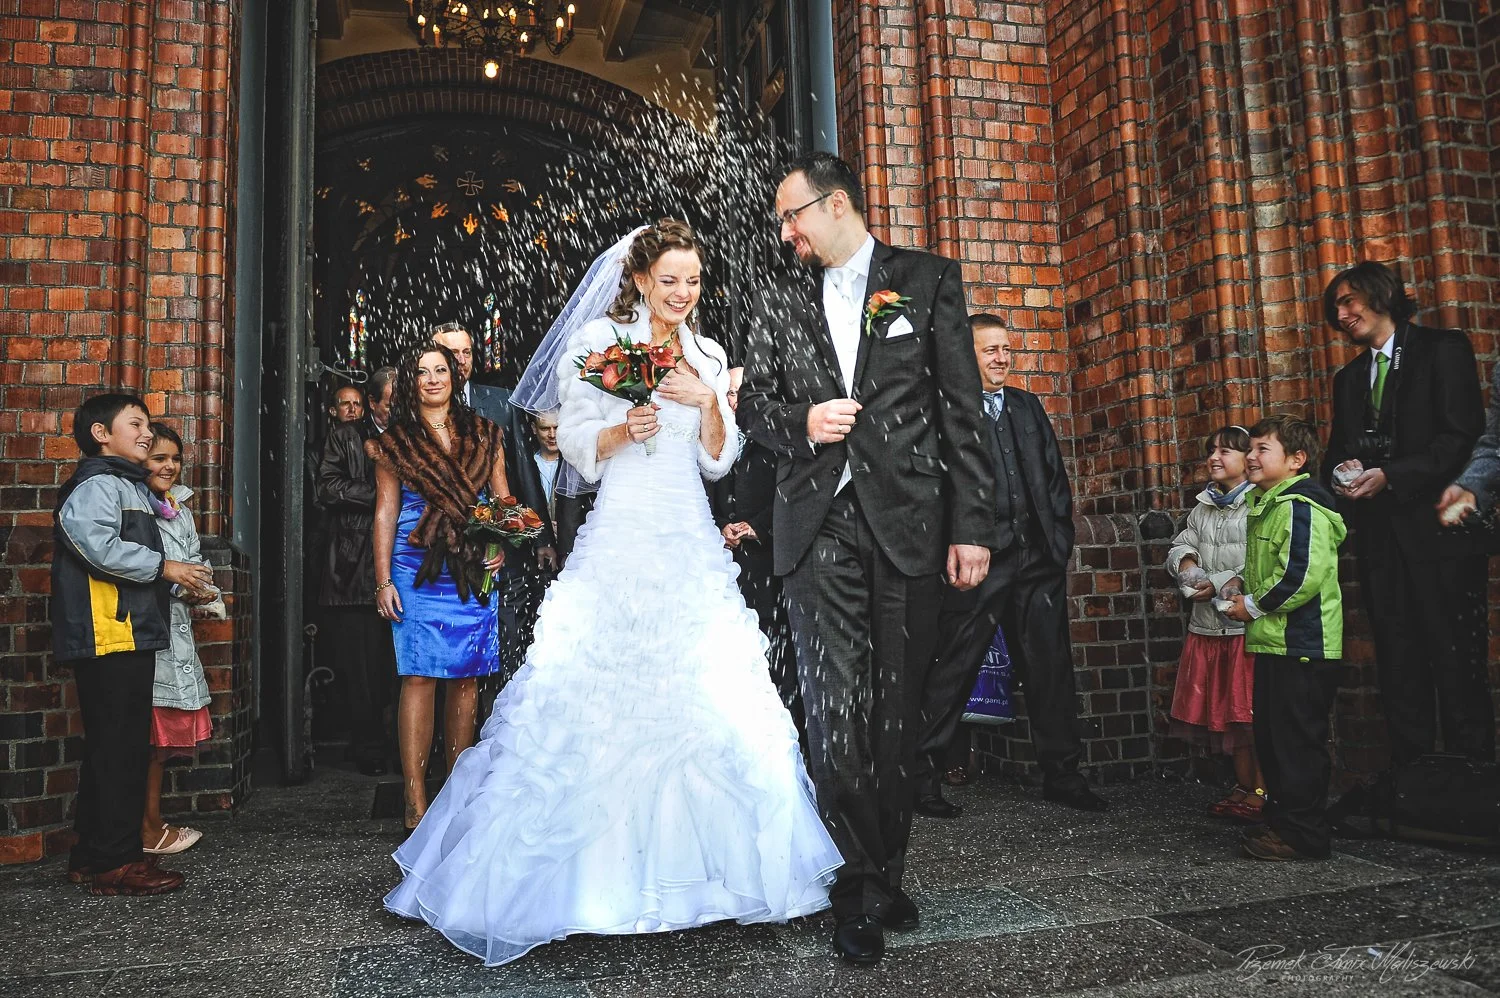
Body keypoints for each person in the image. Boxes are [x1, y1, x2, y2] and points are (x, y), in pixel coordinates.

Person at [385, 220, 840, 967]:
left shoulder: (708, 352)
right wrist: (622, 429)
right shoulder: (597, 339)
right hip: (622, 526)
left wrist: (711, 402)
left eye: (693, 282)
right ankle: (586, 885)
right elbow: (573, 450)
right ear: (638, 280)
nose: (683, 295)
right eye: (670, 281)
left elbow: (719, 465)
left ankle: (717, 883)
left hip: (688, 533)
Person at [737, 153, 994, 965]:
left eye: (793, 216)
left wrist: (973, 526)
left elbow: (961, 411)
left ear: (836, 203)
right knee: (833, 708)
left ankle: (884, 866)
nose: (787, 233)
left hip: (910, 525)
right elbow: (752, 409)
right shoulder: (778, 298)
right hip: (818, 529)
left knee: (897, 707)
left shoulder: (926, 279)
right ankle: (853, 884)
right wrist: (801, 424)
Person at [913, 314, 1105, 822]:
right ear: (964, 354)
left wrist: (1058, 541)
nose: (1002, 357)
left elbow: (1053, 476)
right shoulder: (946, 410)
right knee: (953, 666)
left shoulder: (1026, 406)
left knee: (1050, 669)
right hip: (979, 562)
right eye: (989, 349)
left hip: (1037, 559)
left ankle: (1062, 774)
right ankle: (922, 777)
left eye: (1005, 348)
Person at [1322, 262, 1491, 767]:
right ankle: (1412, 782)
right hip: (1380, 543)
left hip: (1440, 537)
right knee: (1397, 660)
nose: (1343, 313)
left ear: (1383, 296)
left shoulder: (1443, 349)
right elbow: (1334, 453)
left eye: (1350, 300)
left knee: (1456, 659)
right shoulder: (1348, 378)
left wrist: (1392, 476)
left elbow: (1461, 437)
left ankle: (1473, 786)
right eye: (1336, 307)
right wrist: (1342, 474)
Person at [52, 393, 212, 895]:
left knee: (111, 745)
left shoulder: (128, 486)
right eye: (135, 424)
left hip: (126, 630)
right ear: (102, 434)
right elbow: (94, 544)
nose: (146, 433)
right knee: (120, 748)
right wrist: (167, 568)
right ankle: (117, 863)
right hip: (110, 632)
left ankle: (91, 854)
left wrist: (179, 577)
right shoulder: (98, 484)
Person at [371, 344, 510, 831]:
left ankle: (457, 788)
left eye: (440, 370)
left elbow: (502, 498)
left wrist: (501, 540)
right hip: (415, 566)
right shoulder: (396, 441)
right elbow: (385, 511)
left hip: (470, 564)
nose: (433, 379)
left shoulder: (485, 433)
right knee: (418, 677)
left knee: (468, 678)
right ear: (411, 383)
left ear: (454, 375)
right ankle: (414, 800)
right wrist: (383, 577)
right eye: (422, 372)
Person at [1224, 415, 1346, 861]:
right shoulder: (1270, 504)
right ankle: (1283, 823)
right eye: (1250, 448)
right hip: (1276, 643)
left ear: (1296, 460)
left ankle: (1304, 834)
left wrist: (1252, 606)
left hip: (1304, 646)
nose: (1251, 457)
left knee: (1297, 743)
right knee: (1274, 739)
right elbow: (1271, 568)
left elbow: (1300, 577)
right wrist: (1240, 584)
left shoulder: (1300, 506)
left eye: (1262, 449)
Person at [1165, 424, 1263, 822]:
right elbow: (1182, 543)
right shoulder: (1202, 506)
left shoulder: (1258, 503)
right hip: (1207, 626)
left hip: (1243, 627)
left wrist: (1219, 583)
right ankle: (1243, 787)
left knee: (1250, 714)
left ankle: (1263, 790)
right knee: (1229, 717)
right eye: (1211, 450)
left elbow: (1257, 561)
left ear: (1248, 459)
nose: (1215, 457)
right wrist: (1186, 564)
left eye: (1226, 451)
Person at [139, 422, 214, 856]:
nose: (168, 466)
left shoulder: (179, 508)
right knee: (150, 741)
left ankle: (152, 822)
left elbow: (192, 556)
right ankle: (146, 831)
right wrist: (176, 582)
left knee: (161, 746)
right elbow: (143, 563)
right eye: (158, 458)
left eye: (175, 459)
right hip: (152, 630)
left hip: (177, 630)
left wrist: (203, 584)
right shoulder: (137, 506)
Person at [318, 384, 396, 775]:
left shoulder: (410, 437)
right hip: (354, 567)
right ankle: (369, 749)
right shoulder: (347, 436)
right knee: (362, 667)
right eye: (392, 397)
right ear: (375, 403)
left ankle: (401, 745)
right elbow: (327, 487)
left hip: (401, 567)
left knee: (392, 665)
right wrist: (383, 495)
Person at [710, 365, 798, 716]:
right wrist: (718, 526)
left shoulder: (778, 439)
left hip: (769, 563)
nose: (735, 401)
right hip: (721, 563)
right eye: (729, 393)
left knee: (773, 649)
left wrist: (758, 527)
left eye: (742, 393)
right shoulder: (711, 438)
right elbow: (697, 490)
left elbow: (792, 493)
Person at [530, 411, 561, 535]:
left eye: (557, 427)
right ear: (534, 428)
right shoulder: (526, 465)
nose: (552, 435)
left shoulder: (576, 466)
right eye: (545, 428)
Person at [366, 366, 397, 434]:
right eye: (389, 406)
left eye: (401, 405)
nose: (397, 411)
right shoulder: (351, 436)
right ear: (372, 403)